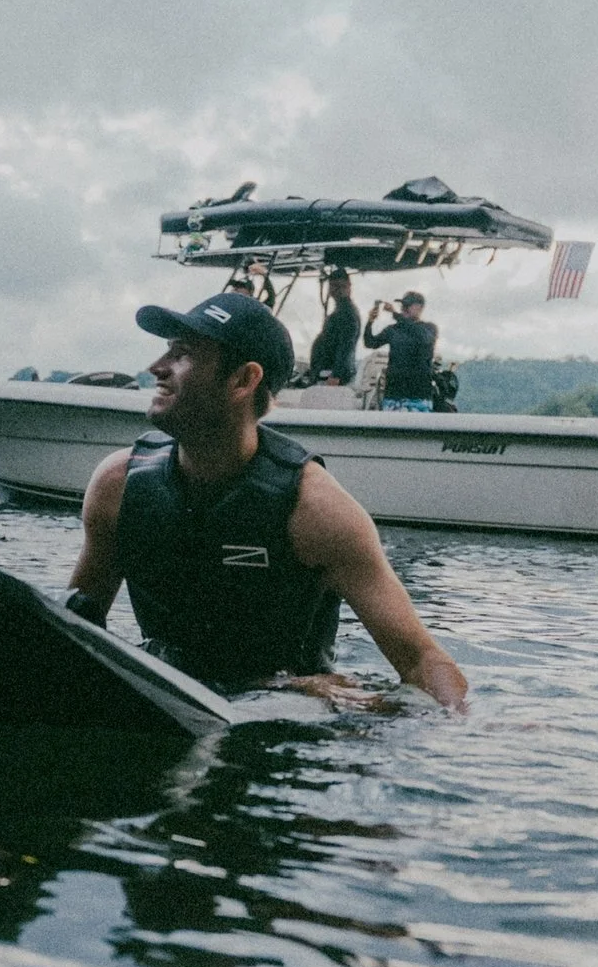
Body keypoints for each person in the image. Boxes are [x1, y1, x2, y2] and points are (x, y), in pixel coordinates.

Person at [63, 291, 468, 711]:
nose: (157, 368)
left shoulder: (315, 511)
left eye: (183, 354)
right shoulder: (119, 486)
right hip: (171, 703)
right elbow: (74, 628)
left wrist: (466, 731)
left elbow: (422, 660)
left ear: (243, 380)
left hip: (290, 723)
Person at [363, 290, 439, 411]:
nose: (404, 308)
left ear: (420, 308)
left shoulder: (428, 328)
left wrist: (395, 314)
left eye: (407, 305)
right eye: (402, 305)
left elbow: (422, 338)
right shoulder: (393, 330)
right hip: (393, 395)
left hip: (418, 396)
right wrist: (370, 322)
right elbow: (370, 342)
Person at [303, 268, 360, 386]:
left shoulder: (348, 313)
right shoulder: (339, 310)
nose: (336, 290)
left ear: (349, 287)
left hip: (332, 376)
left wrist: (337, 375)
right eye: (333, 286)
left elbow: (346, 345)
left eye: (341, 286)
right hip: (325, 372)